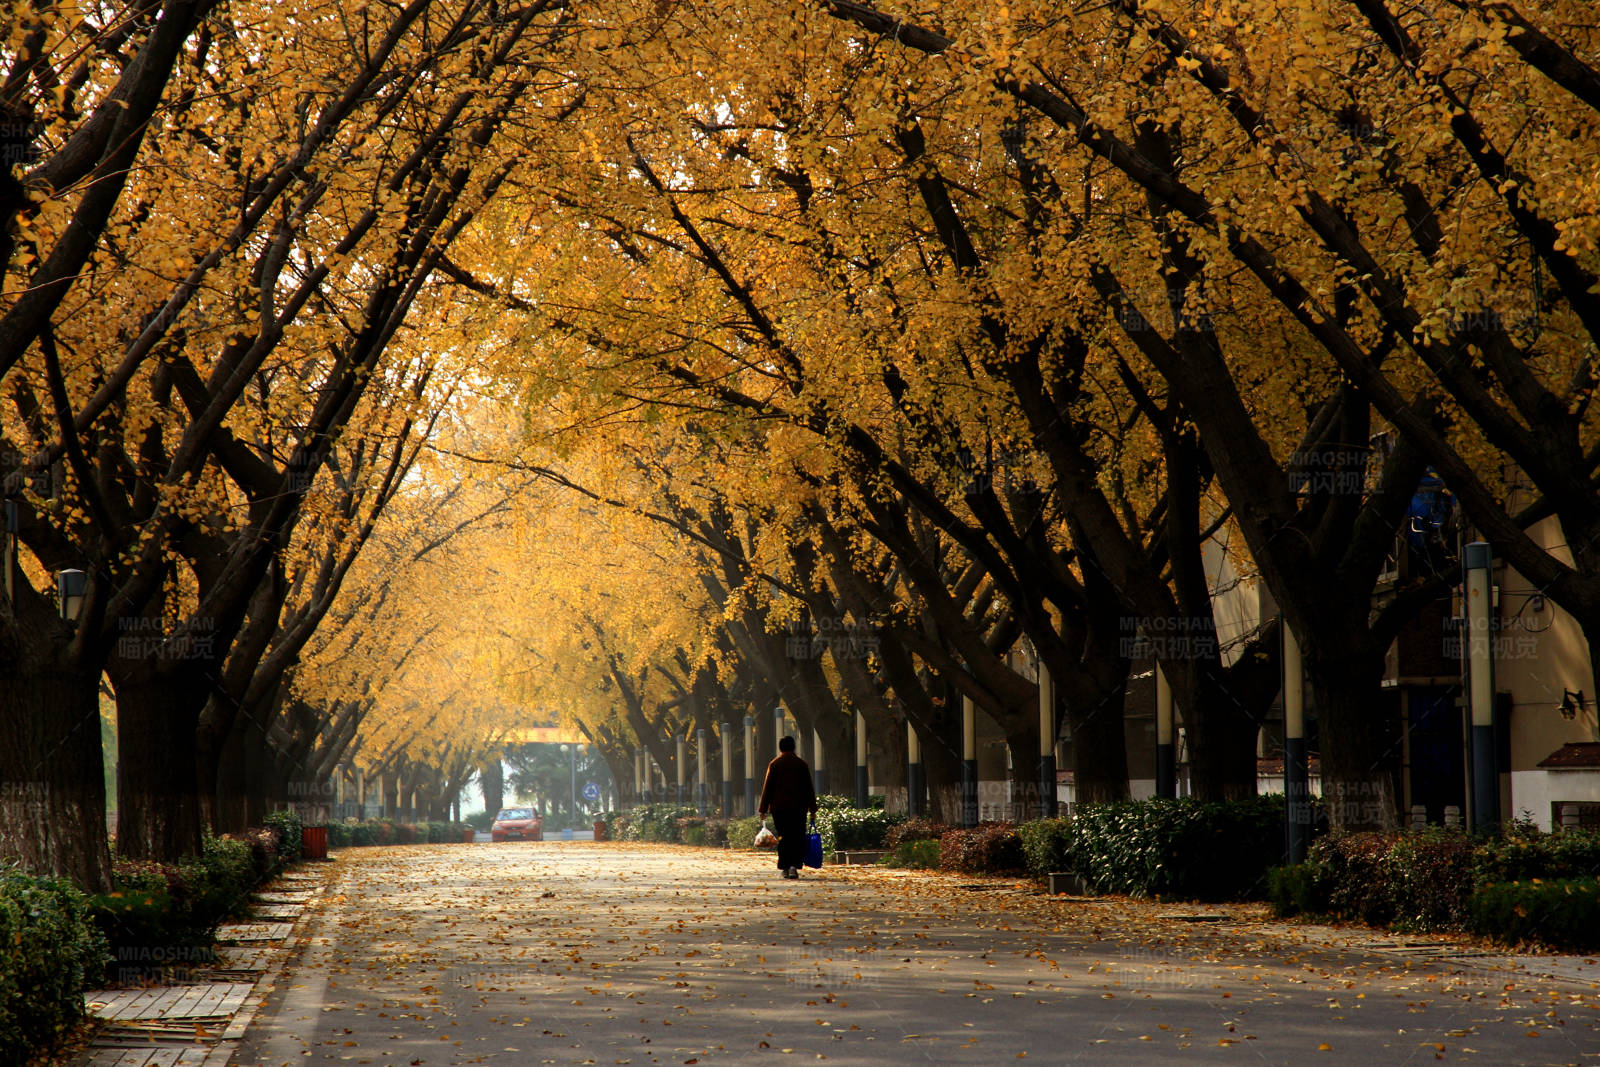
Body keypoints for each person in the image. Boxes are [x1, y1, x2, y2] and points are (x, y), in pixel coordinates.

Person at [757, 735, 817, 879]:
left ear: (780, 748)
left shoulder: (775, 764)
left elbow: (768, 788)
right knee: (797, 837)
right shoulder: (801, 764)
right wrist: (812, 809)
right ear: (793, 747)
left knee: (783, 837)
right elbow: (808, 788)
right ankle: (794, 867)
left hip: (780, 809)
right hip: (798, 808)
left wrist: (763, 809)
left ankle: (784, 866)